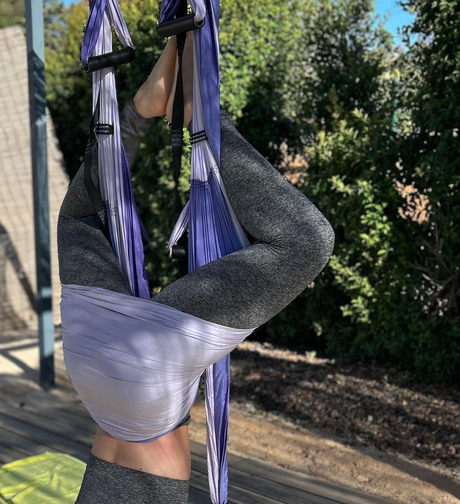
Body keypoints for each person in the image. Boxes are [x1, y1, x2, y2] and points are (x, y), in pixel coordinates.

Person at [58, 37, 335, 503]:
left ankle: (200, 118)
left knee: (305, 243)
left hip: (144, 380)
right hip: (90, 358)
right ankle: (142, 109)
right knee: (77, 218)